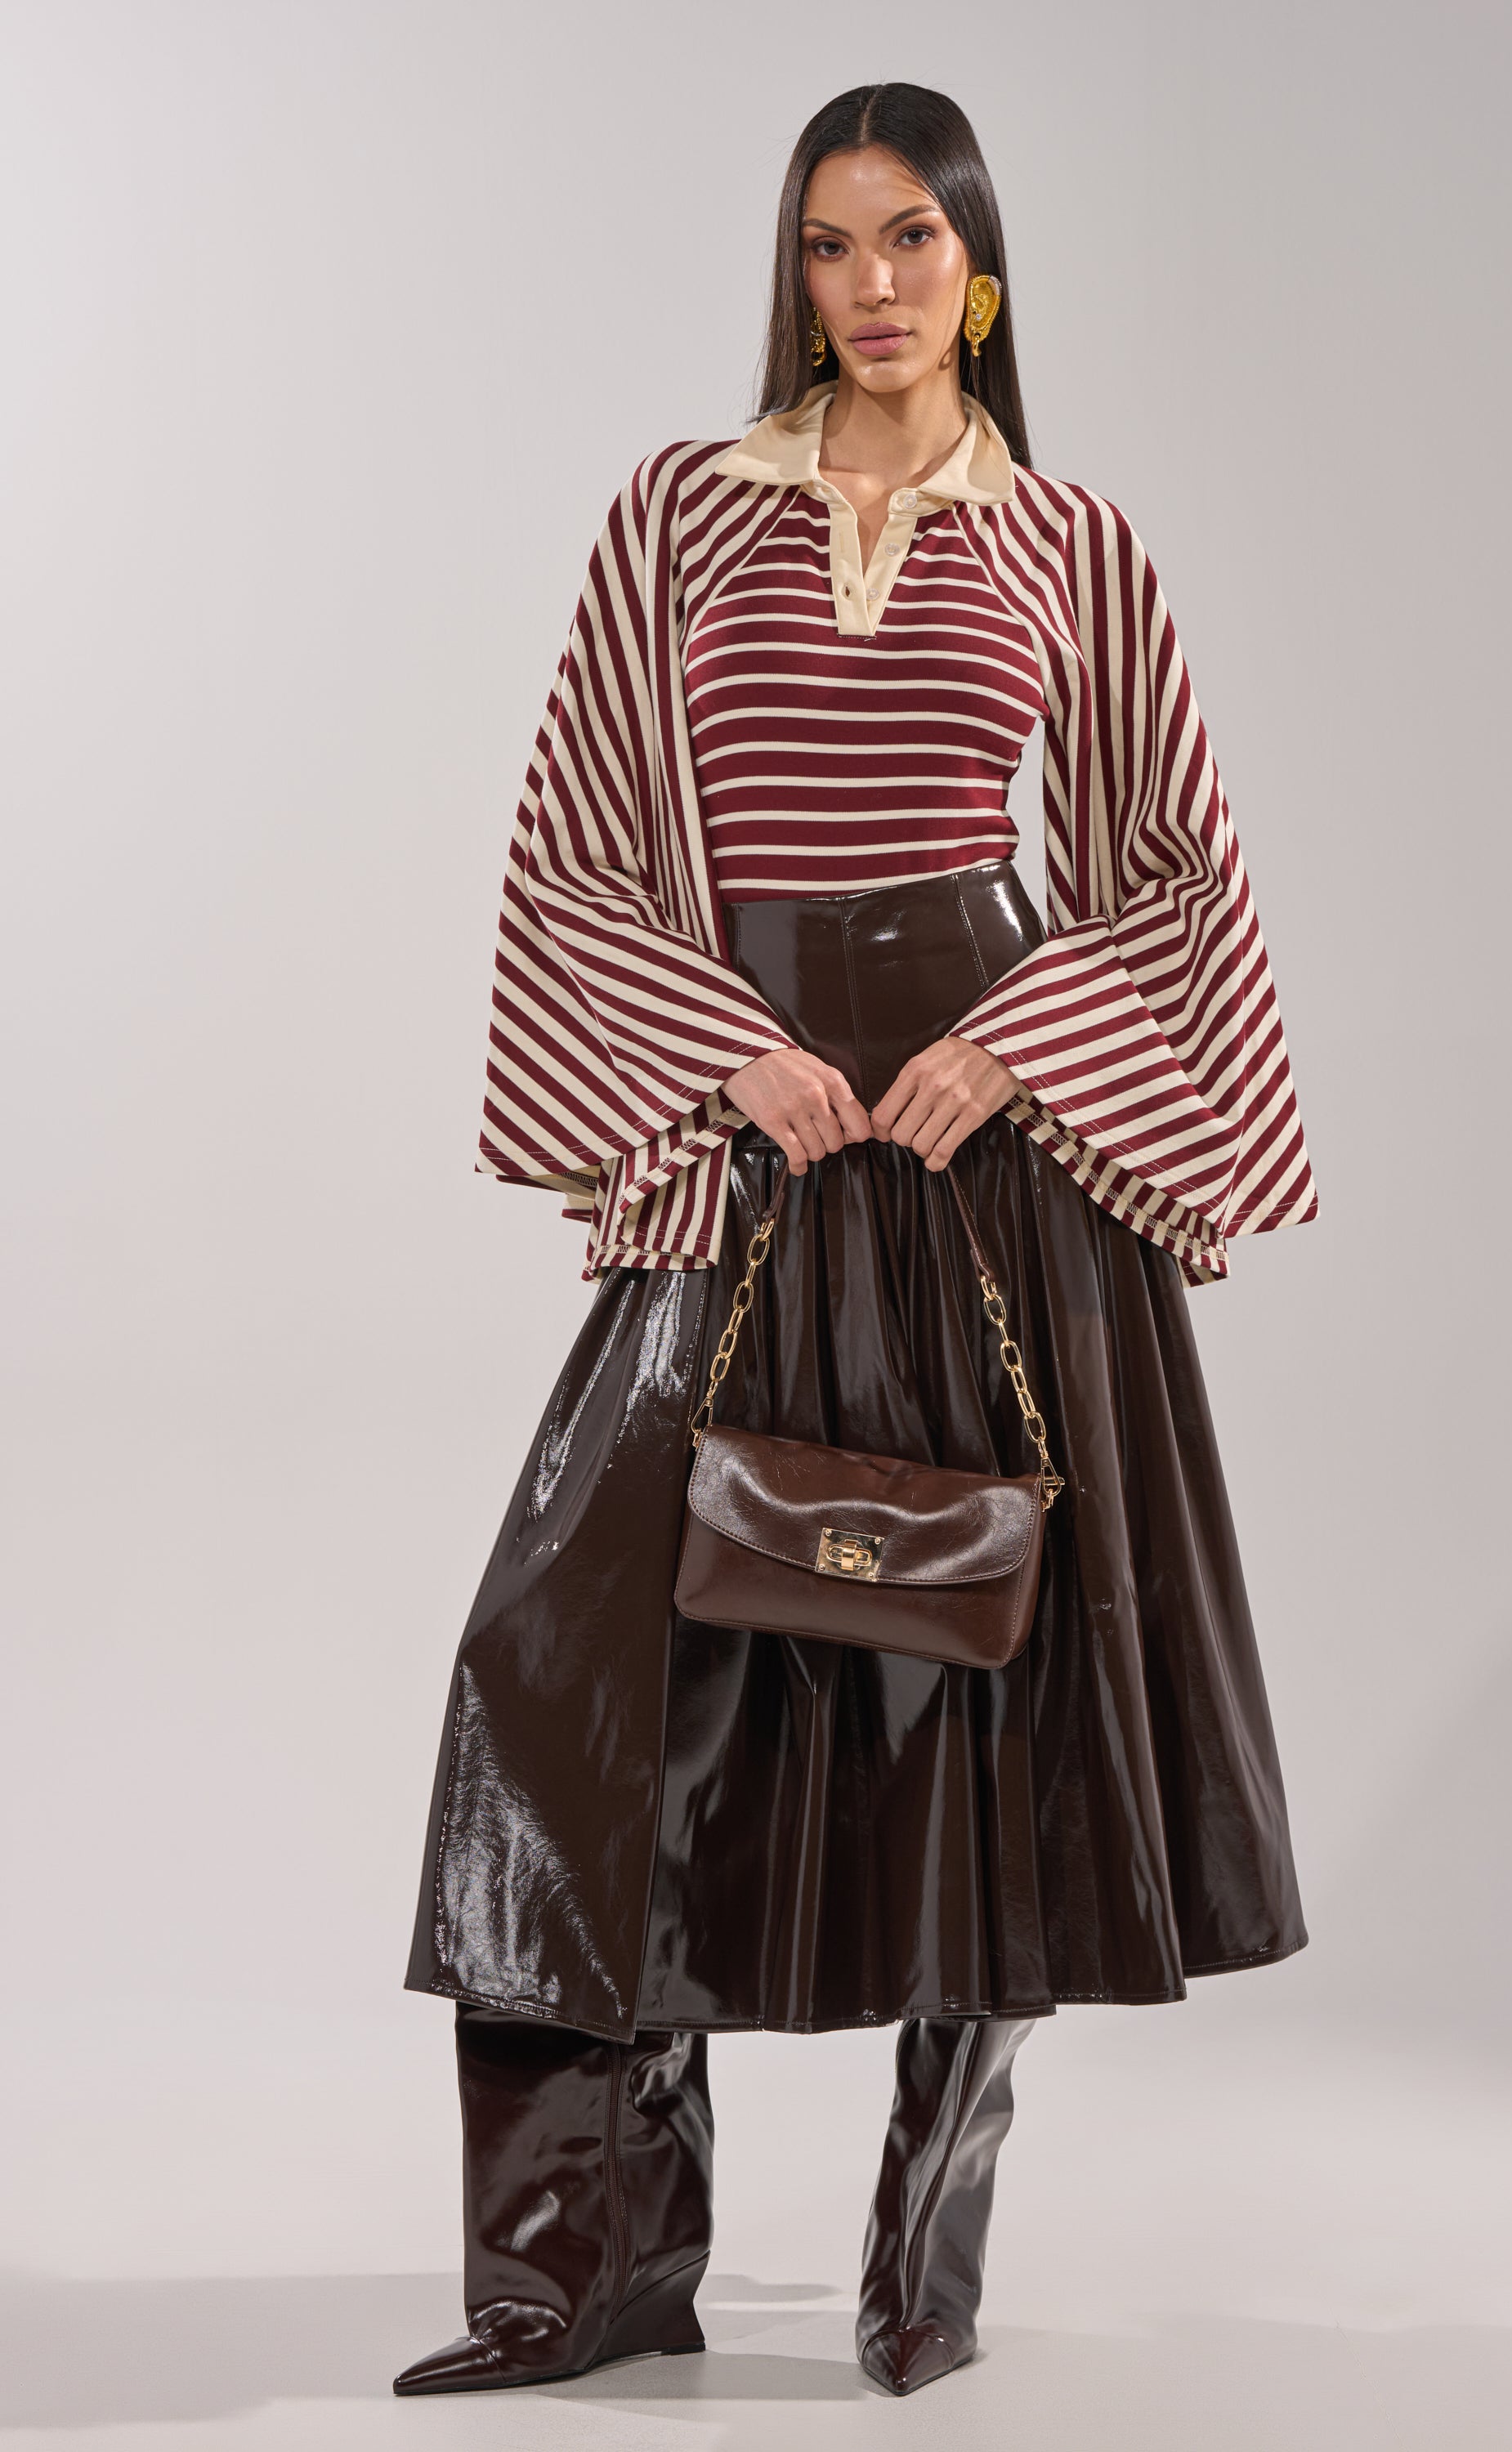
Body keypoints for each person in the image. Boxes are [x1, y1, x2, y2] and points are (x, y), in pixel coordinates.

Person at [396, 81, 1317, 2402]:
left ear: (979, 267)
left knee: (975, 1684)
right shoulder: (682, 519)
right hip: (759, 1133)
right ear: (792, 272)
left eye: (913, 238)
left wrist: (1014, 1052)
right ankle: (587, 2265)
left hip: (984, 1150)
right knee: (572, 1671)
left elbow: (1177, 872)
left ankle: (930, 2243)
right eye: (829, 245)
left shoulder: (1077, 541)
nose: (873, 285)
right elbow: (575, 848)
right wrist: (728, 1046)